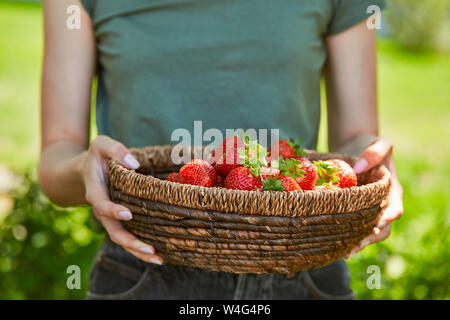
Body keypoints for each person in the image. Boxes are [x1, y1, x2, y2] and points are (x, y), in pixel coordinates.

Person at [39, 0, 403, 299]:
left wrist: (371, 163)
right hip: (145, 267)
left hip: (303, 263)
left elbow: (355, 137)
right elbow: (57, 157)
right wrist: (85, 168)